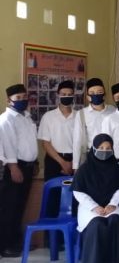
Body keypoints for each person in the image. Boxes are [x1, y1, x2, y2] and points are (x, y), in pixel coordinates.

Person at [71, 134, 119, 263]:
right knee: (97, 224)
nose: (104, 151)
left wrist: (112, 204)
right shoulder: (84, 169)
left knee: (115, 221)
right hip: (89, 208)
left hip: (112, 206)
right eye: (101, 148)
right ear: (94, 148)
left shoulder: (117, 167)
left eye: (108, 148)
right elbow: (78, 192)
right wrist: (95, 207)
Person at [0, 84, 38, 257]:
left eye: (24, 97)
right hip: (14, 168)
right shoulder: (6, 120)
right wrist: (13, 167)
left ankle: (16, 243)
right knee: (9, 208)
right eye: (18, 98)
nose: (22, 100)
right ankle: (5, 246)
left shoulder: (27, 117)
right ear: (9, 100)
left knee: (19, 207)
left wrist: (35, 162)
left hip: (28, 167)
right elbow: (8, 145)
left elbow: (30, 142)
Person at [38, 80, 76, 224]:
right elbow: (45, 143)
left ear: (74, 96)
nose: (66, 97)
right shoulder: (48, 116)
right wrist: (62, 162)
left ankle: (70, 234)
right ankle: (51, 235)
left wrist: (74, 163)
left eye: (69, 94)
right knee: (53, 200)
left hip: (74, 161)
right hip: (54, 161)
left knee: (74, 200)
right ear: (58, 95)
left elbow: (82, 143)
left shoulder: (79, 116)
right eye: (63, 94)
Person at [72, 78, 116, 170]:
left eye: (99, 92)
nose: (96, 95)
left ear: (104, 94)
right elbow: (77, 141)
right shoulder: (81, 114)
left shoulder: (113, 111)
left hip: (111, 155)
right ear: (88, 97)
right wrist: (76, 166)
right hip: (91, 156)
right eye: (92, 93)